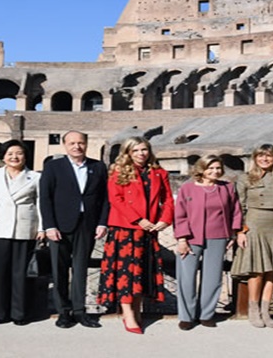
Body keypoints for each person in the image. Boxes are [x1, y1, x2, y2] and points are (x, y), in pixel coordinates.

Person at [97, 137, 174, 334]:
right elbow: (116, 199)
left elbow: (167, 199)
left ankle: (136, 309)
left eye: (144, 149)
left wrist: (165, 220)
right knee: (125, 272)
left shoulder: (159, 173)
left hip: (149, 230)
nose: (141, 153)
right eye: (136, 150)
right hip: (125, 228)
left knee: (142, 271)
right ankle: (128, 313)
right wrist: (138, 219)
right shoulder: (118, 171)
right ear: (128, 153)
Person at [39, 130, 109, 329]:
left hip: (86, 225)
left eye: (80, 143)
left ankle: (80, 311)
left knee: (81, 269)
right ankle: (63, 312)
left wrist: (102, 223)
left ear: (86, 144)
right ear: (65, 145)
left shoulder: (98, 167)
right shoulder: (53, 167)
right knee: (59, 270)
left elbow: (105, 198)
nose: (76, 146)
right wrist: (49, 226)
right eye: (72, 143)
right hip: (59, 227)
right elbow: (45, 198)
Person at [174, 155, 242, 331]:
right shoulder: (187, 189)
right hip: (190, 237)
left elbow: (236, 211)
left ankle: (206, 314)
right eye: (210, 168)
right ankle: (186, 316)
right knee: (186, 277)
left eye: (218, 168)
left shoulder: (227, 188)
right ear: (201, 169)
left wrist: (233, 234)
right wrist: (181, 239)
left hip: (218, 236)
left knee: (213, 277)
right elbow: (180, 215)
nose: (215, 171)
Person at [231, 144, 273, 328]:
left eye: (269, 156)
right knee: (257, 270)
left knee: (271, 272)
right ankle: (253, 309)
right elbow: (239, 208)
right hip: (255, 225)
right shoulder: (245, 179)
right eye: (261, 156)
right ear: (255, 158)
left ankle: (266, 311)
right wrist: (240, 231)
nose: (265, 159)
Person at [0, 139, 44, 326]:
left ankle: (19, 313)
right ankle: (0, 311)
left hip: (25, 227)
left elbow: (40, 204)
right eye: (10, 153)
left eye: (18, 153)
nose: (14, 157)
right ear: (3, 156)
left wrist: (42, 227)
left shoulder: (35, 177)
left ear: (25, 156)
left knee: (20, 273)